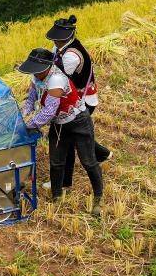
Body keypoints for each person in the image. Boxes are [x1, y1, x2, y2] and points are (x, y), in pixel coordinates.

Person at [17, 47, 103, 216]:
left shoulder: (56, 80)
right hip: (59, 125)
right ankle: (57, 197)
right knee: (56, 162)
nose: (34, 74)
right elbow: (31, 99)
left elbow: (49, 111)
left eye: (37, 70)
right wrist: (22, 115)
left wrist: (28, 125)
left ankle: (98, 198)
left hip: (78, 122)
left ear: (47, 67)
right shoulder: (36, 78)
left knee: (88, 161)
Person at [47, 15, 111, 192]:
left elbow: (56, 79)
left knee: (67, 141)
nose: (54, 40)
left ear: (67, 37)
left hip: (83, 101)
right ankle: (103, 154)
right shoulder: (59, 47)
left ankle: (65, 183)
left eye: (57, 38)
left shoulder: (72, 56)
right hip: (72, 99)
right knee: (72, 138)